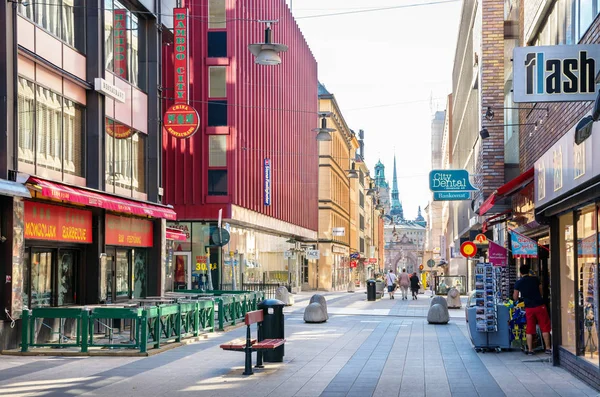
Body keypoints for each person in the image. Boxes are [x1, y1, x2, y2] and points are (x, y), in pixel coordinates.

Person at [513, 264, 551, 355]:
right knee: (545, 327)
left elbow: (515, 297)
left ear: (521, 272)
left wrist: (520, 299)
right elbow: (541, 291)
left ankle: (530, 350)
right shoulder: (535, 279)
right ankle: (548, 348)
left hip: (529, 307)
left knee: (530, 328)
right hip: (540, 306)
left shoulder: (518, 282)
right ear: (529, 271)